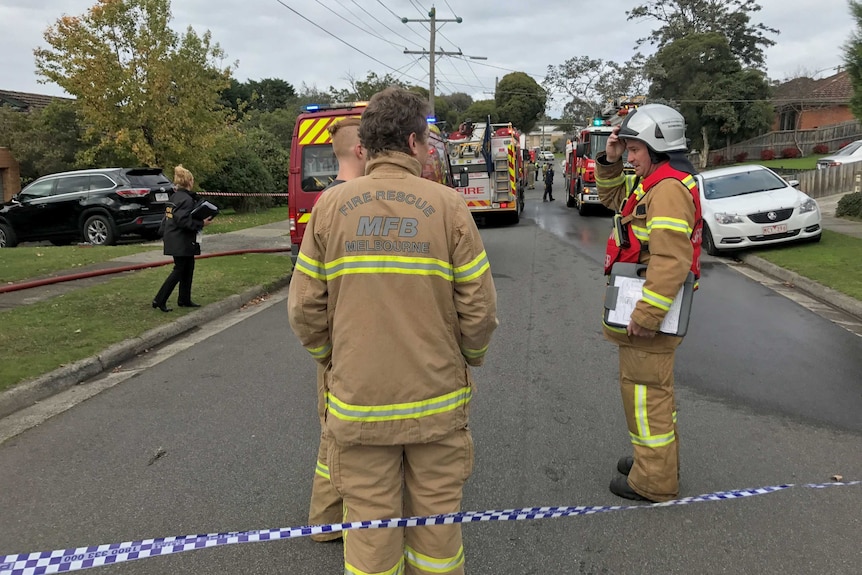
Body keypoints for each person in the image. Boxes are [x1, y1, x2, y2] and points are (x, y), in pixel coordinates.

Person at [288, 87, 498, 575]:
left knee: (369, 537)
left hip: (359, 407)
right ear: (412, 140)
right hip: (438, 407)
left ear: (367, 144)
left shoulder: (329, 208)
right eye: (426, 142)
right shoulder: (449, 208)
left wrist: (331, 357)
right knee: (437, 534)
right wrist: (470, 356)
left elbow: (303, 310)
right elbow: (481, 312)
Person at [594, 104, 702, 503]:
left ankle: (654, 481)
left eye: (635, 148)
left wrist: (647, 314)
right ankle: (654, 461)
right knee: (649, 392)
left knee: (646, 396)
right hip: (643, 309)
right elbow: (610, 200)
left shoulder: (668, 190)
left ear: (657, 147)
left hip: (648, 316)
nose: (630, 155)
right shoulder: (652, 183)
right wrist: (611, 159)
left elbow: (671, 260)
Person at [307, 115, 366, 543]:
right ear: (363, 151)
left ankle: (326, 522)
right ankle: (345, 520)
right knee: (347, 444)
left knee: (332, 434)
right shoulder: (350, 204)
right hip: (355, 351)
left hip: (336, 349)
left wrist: (324, 352)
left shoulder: (325, 205)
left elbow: (307, 302)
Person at [152, 165, 213, 312]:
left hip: (177, 238)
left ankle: (184, 299)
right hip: (180, 240)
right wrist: (201, 223)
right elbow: (183, 221)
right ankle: (160, 299)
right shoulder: (185, 200)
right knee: (179, 270)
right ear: (189, 181)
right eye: (192, 180)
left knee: (188, 268)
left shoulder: (176, 197)